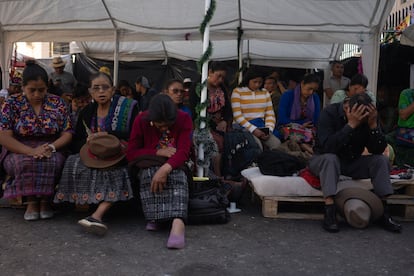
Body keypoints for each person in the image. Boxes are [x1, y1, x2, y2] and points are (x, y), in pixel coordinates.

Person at [54, 72, 139, 235]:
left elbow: (134, 135)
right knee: (74, 161)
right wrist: (89, 142)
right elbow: (77, 139)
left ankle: (99, 211)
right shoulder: (87, 112)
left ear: (113, 90)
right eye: (96, 88)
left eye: (105, 87)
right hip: (95, 152)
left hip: (119, 151)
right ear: (91, 92)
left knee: (115, 169)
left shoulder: (127, 108)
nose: (101, 91)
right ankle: (86, 202)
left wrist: (108, 136)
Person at [308, 93, 402, 233]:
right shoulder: (329, 113)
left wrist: (373, 126)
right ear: (348, 108)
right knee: (330, 158)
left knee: (381, 160)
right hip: (323, 159)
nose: (362, 119)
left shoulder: (368, 117)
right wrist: (351, 125)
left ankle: (383, 211)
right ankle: (330, 211)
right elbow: (328, 147)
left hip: (352, 162)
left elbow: (377, 149)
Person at [0, 60, 72, 221]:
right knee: (23, 162)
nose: (37, 95)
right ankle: (31, 202)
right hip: (18, 147)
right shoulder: (11, 103)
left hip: (51, 146)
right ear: (23, 87)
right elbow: (4, 136)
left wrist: (52, 147)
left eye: (41, 90)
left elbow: (67, 133)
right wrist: (31, 151)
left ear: (47, 87)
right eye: (32, 90)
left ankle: (45, 201)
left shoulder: (57, 103)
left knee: (52, 161)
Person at [127, 94, 193, 249]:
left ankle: (178, 222)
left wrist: (166, 168)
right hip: (150, 161)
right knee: (148, 174)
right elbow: (131, 153)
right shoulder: (141, 120)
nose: (164, 129)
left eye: (167, 125)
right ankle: (156, 218)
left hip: (177, 162)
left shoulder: (183, 118)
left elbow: (183, 151)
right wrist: (157, 152)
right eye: (159, 125)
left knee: (177, 175)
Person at [231, 69, 281, 151]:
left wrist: (268, 130)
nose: (257, 85)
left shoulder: (265, 92)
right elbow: (237, 116)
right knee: (256, 146)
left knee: (276, 144)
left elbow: (270, 114)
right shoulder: (237, 92)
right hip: (243, 127)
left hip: (262, 127)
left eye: (260, 82)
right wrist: (253, 129)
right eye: (255, 82)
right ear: (248, 80)